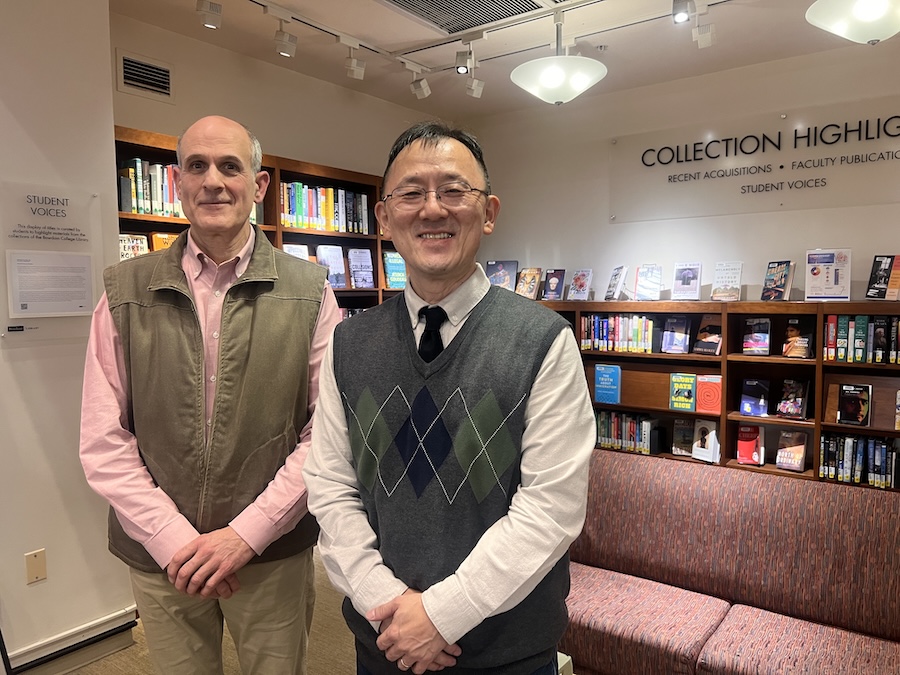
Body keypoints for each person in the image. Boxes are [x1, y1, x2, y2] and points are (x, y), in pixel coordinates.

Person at [303, 121, 596, 675]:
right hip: (382, 643)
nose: (432, 209)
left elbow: (550, 510)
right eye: (411, 193)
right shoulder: (349, 341)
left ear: (488, 212)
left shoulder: (544, 341)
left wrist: (439, 616)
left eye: (454, 191)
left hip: (507, 654)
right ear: (384, 217)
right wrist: (389, 610)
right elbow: (330, 485)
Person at [79, 115, 341, 674]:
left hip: (270, 554)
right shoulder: (123, 292)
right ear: (177, 182)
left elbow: (328, 434)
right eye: (197, 166)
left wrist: (247, 535)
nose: (213, 181)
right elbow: (103, 439)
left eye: (230, 166)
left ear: (260, 184)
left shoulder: (312, 292)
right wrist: (172, 538)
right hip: (161, 559)